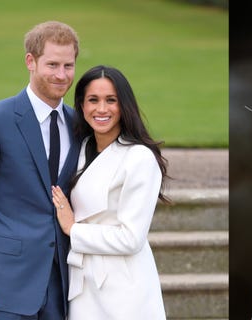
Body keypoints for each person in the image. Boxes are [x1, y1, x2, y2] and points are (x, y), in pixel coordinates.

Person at [0, 21, 80, 320]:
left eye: (68, 65)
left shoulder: (78, 124)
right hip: (4, 283)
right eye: (53, 64)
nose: (62, 75)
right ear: (30, 62)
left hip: (64, 285)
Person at [50, 65, 169, 319]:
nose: (101, 109)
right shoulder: (80, 149)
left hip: (123, 291)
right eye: (93, 100)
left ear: (124, 106)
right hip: (83, 285)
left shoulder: (139, 158)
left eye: (111, 100)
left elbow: (131, 239)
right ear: (81, 106)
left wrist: (73, 229)